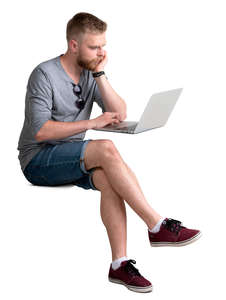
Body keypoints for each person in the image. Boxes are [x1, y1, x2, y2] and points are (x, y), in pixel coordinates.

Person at [17, 12, 201, 293]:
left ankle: (119, 264)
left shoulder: (91, 72)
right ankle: (156, 224)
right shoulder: (44, 74)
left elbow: (119, 112)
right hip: (38, 160)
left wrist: (99, 73)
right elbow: (40, 131)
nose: (101, 52)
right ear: (73, 45)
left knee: (110, 179)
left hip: (71, 155)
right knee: (106, 148)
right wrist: (91, 123)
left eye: (103, 45)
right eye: (94, 47)